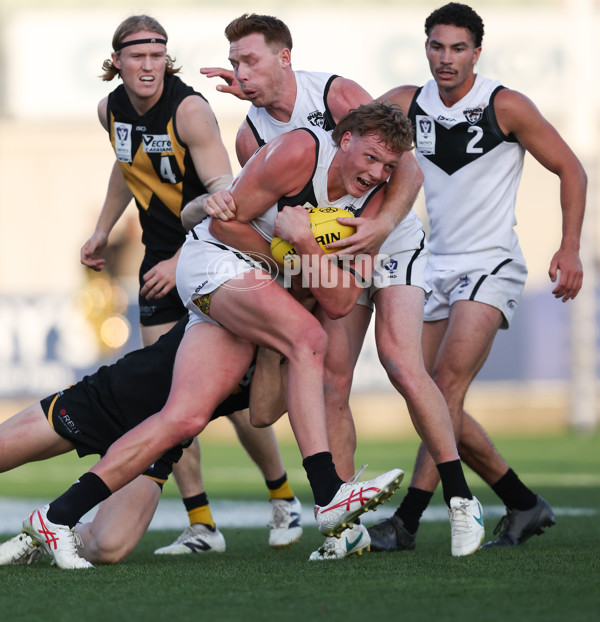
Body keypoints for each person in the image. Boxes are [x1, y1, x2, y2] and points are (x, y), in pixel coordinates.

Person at [21, 102, 409, 569]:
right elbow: (221, 222)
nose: (377, 173)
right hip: (213, 261)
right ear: (345, 141)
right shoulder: (300, 151)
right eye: (371, 157)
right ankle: (328, 495)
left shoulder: (375, 206)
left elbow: (343, 301)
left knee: (182, 419)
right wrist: (293, 255)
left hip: (247, 286)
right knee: (309, 337)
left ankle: (56, 517)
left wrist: (304, 244)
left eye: (389, 166)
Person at [198, 13, 483, 560]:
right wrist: (287, 259)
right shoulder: (251, 136)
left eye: (250, 59)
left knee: (402, 362)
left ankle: (461, 499)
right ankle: (346, 524)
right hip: (329, 247)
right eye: (235, 62)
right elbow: (268, 216)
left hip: (385, 236)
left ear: (285, 57)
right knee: (331, 379)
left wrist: (377, 227)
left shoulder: (335, 94)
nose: (241, 71)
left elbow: (399, 161)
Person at [368, 1, 586, 552]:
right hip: (431, 264)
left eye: (458, 48)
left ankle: (409, 521)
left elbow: (571, 168)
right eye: (437, 46)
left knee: (442, 390)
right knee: (426, 394)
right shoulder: (402, 104)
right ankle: (520, 501)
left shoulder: (504, 104)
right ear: (425, 48)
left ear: (477, 52)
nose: (446, 58)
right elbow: (349, 148)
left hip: (491, 262)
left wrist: (569, 247)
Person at [79, 14, 302, 555]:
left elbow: (229, 197)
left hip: (206, 257)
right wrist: (103, 230)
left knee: (226, 395)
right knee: (167, 403)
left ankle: (283, 498)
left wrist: (181, 256)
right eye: (137, 57)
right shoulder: (110, 110)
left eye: (157, 55)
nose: (149, 65)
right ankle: (202, 525)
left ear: (166, 58)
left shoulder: (191, 110)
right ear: (117, 62)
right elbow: (124, 167)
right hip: (158, 266)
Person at [0, 317, 285, 568]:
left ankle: (36, 539)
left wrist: (274, 350)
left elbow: (263, 413)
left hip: (158, 441)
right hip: (111, 399)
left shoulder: (303, 341)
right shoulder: (242, 290)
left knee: (107, 547)